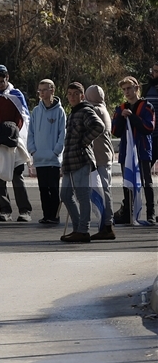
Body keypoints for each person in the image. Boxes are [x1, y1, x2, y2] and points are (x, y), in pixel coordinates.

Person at [0, 64, 32, 222]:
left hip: (14, 141)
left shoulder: (16, 95)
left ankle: (25, 211)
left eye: (1, 82)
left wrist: (12, 134)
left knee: (17, 176)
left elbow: (23, 117)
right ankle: (5, 211)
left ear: (7, 78)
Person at [59, 83, 105, 243]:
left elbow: (99, 126)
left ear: (82, 96)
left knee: (82, 195)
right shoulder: (72, 113)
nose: (72, 96)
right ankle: (78, 227)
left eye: (75, 93)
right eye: (69, 93)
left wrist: (83, 142)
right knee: (65, 195)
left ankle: (83, 230)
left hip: (81, 158)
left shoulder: (85, 111)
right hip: (69, 161)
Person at [112, 75, 155, 224]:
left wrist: (133, 117)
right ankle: (128, 214)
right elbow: (115, 131)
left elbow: (149, 127)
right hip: (126, 152)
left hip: (142, 150)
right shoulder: (121, 108)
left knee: (146, 183)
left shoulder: (147, 106)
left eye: (129, 88)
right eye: (124, 89)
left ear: (136, 88)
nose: (127, 92)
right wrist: (121, 118)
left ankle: (150, 213)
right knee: (127, 182)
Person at [27, 79, 65, 224]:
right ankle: (46, 215)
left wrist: (56, 151)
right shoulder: (36, 111)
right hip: (39, 157)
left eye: (45, 90)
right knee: (43, 189)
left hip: (53, 159)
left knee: (53, 188)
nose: (42, 93)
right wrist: (32, 150)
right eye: (40, 90)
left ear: (52, 90)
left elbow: (62, 134)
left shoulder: (59, 111)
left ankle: (54, 216)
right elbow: (31, 132)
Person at [85, 85, 116, 239]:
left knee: (103, 192)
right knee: (104, 191)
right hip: (104, 156)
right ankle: (105, 224)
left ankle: (107, 225)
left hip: (101, 157)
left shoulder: (95, 110)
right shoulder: (102, 109)